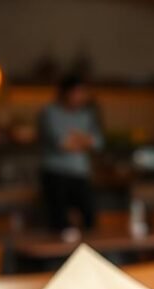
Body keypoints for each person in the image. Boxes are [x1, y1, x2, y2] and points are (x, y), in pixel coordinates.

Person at [39, 74, 103, 235]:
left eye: (83, 92)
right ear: (66, 93)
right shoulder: (50, 112)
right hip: (55, 173)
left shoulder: (86, 114)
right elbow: (61, 143)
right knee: (59, 221)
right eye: (77, 92)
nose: (80, 97)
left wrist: (76, 140)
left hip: (80, 172)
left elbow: (97, 142)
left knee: (90, 217)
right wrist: (83, 140)